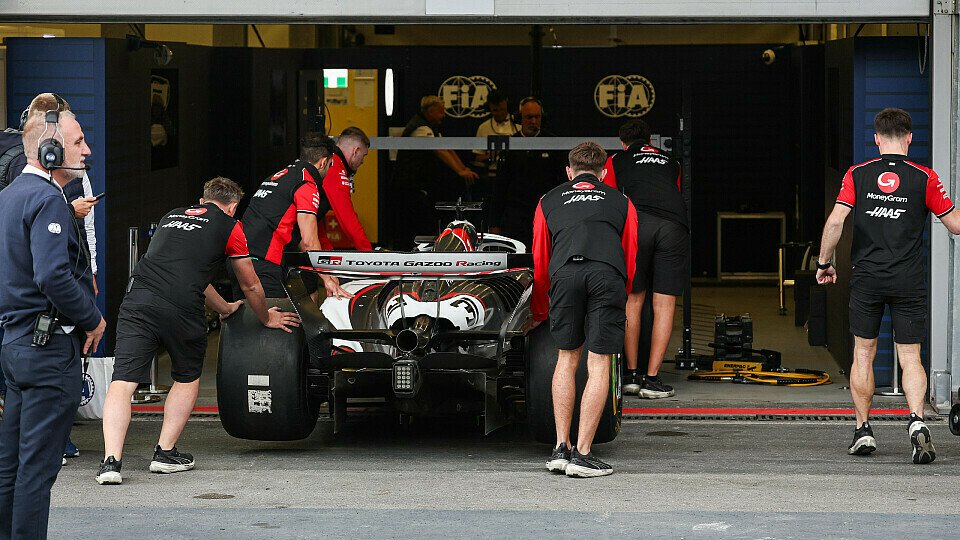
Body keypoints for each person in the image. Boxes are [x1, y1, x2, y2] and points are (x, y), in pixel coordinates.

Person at [97, 177, 301, 485]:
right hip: (181, 307)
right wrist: (265, 318)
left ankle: (110, 463)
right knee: (187, 376)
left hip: (137, 299)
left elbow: (187, 271)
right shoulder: (231, 227)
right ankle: (165, 454)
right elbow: (250, 284)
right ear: (233, 207)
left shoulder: (172, 216)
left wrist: (224, 308)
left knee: (123, 381)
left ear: (202, 200)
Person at [816, 108, 960, 464]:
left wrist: (824, 263)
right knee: (910, 355)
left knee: (863, 352)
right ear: (910, 138)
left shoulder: (858, 174)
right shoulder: (924, 177)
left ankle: (864, 430)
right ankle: (916, 423)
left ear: (877, 139)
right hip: (908, 279)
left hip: (867, 278)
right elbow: (955, 224)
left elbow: (835, 222)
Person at [0, 96, 106, 538]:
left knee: (10, 467)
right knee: (37, 472)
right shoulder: (47, 199)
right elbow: (53, 276)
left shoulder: (8, 196)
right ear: (49, 150)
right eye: (78, 142)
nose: (86, 151)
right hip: (45, 353)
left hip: (14, 348)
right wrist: (93, 320)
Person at [528, 142, 638, 478]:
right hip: (607, 276)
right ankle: (584, 454)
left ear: (569, 171)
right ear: (604, 173)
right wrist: (624, 289)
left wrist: (540, 305)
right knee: (599, 360)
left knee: (566, 357)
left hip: (565, 275)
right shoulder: (622, 201)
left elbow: (540, 258)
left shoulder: (548, 200)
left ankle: (561, 448)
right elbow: (630, 253)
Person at [603, 119, 686, 399]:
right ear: (650, 140)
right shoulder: (671, 160)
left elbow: (611, 199)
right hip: (673, 225)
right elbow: (673, 191)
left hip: (639, 224)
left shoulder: (618, 159)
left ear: (623, 142)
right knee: (664, 302)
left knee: (633, 299)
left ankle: (632, 375)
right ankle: (652, 379)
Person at [238, 133, 350, 300]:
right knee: (277, 323)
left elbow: (296, 237)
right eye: (330, 164)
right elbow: (309, 240)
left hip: (238, 261)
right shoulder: (306, 182)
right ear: (323, 162)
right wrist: (327, 279)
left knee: (244, 322)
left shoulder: (281, 175)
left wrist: (322, 273)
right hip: (262, 266)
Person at [391, 95, 478, 249]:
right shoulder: (420, 128)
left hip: (418, 187)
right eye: (441, 112)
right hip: (409, 187)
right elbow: (439, 150)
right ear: (430, 111)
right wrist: (460, 172)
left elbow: (446, 147)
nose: (443, 116)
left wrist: (463, 169)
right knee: (412, 227)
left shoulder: (431, 128)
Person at [490, 97, 566, 248]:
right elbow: (500, 186)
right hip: (516, 217)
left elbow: (563, 183)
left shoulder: (554, 143)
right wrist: (494, 223)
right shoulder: (510, 145)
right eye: (529, 117)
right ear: (520, 118)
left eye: (537, 117)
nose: (533, 121)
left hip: (546, 214)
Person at [319, 127, 374, 251]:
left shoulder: (324, 159)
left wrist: (326, 250)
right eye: (363, 156)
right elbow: (349, 222)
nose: (362, 162)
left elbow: (313, 215)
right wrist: (371, 257)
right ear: (356, 151)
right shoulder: (335, 169)